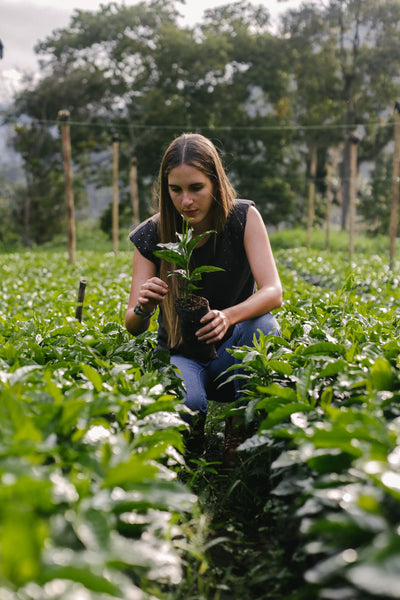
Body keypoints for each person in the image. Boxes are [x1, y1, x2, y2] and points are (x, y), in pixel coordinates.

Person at [125, 133, 282, 467]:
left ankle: (239, 428)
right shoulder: (152, 235)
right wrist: (144, 307)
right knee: (189, 404)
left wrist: (228, 317)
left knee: (265, 325)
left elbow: (273, 291)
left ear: (215, 182)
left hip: (231, 354)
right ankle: (191, 430)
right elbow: (133, 326)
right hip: (182, 355)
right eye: (176, 190)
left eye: (196, 188)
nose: (186, 201)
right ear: (165, 189)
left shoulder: (242, 218)